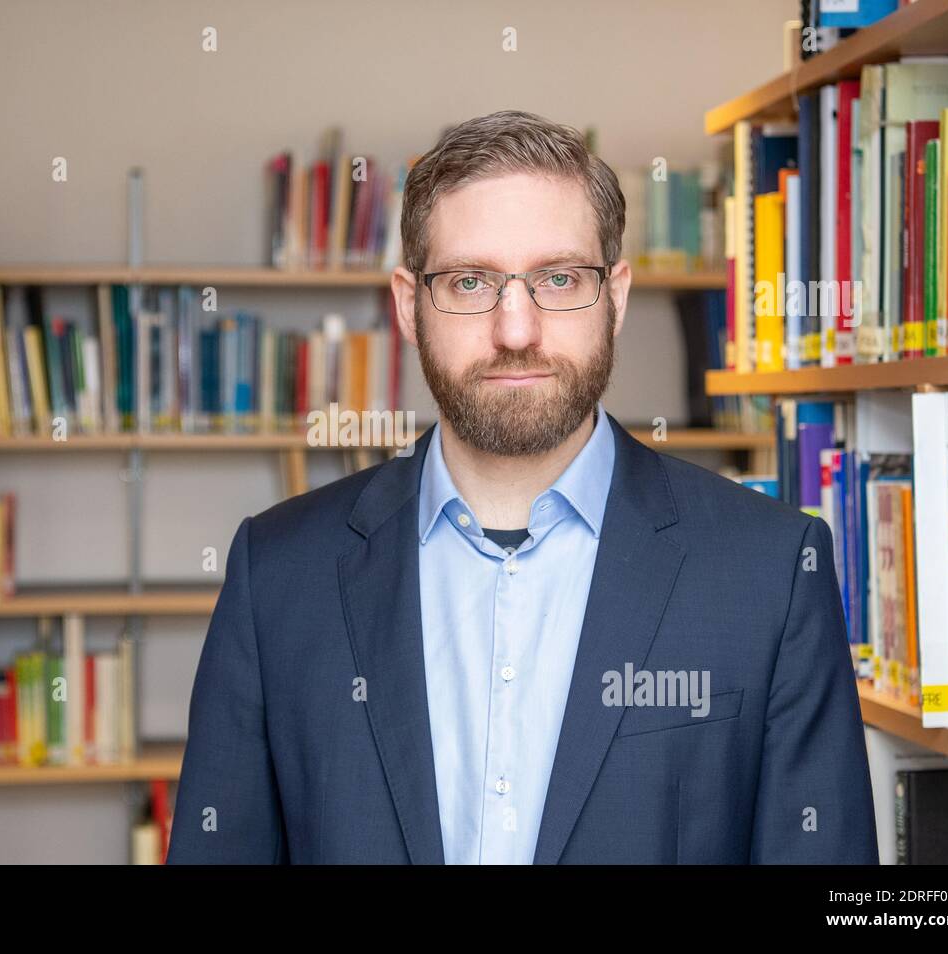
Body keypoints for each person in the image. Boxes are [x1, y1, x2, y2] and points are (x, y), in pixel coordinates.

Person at [167, 110, 877, 864]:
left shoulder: (770, 571)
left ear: (617, 296)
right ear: (409, 305)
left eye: (559, 278)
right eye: (471, 281)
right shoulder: (274, 573)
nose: (515, 330)